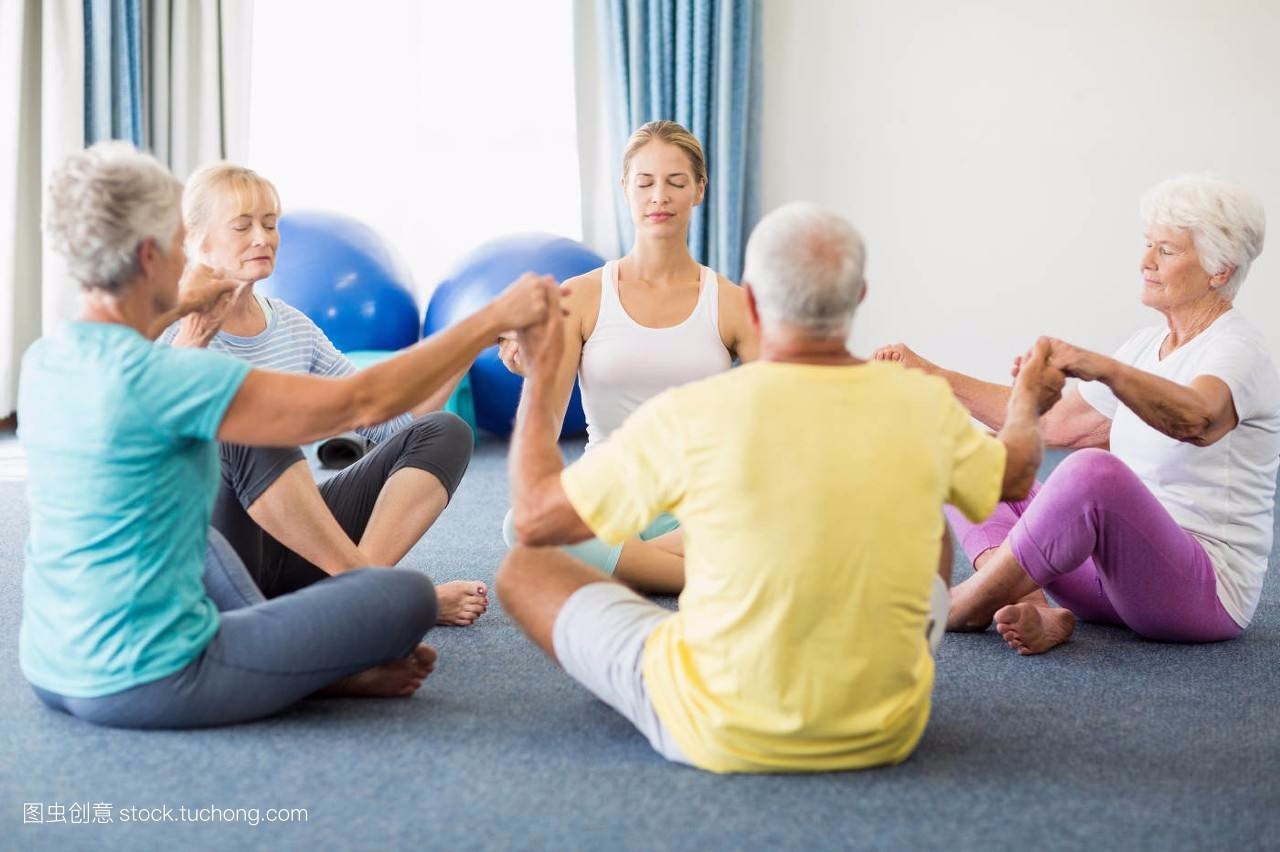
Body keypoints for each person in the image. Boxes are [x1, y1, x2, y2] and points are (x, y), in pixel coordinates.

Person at [496, 202, 1064, 773]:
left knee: (526, 569)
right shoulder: (921, 404)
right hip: (885, 730)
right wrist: (1025, 404)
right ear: (859, 296)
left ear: (750, 301)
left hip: (718, 729)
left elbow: (536, 519)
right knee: (933, 522)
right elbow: (1014, 474)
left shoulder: (691, 414)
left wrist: (546, 369)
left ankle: (687, 669)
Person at [19, 142, 555, 728]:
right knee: (405, 599)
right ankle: (341, 641)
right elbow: (361, 401)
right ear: (154, 255)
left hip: (52, 665)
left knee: (241, 480)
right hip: (153, 675)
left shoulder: (48, 360)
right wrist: (487, 319)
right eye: (179, 246)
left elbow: (384, 416)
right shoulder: (176, 373)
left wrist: (180, 309)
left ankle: (331, 631)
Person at [874, 175, 1279, 655]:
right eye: (1148, 245)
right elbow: (1051, 425)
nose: (1145, 262)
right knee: (974, 455)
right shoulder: (1148, 346)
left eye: (1166, 251)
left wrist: (1103, 369)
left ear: (1219, 269)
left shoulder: (1238, 350)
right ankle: (1036, 606)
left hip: (1195, 596)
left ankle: (967, 604)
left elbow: (1198, 420)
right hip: (1106, 580)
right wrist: (931, 374)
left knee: (1092, 472)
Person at [159, 163, 485, 625]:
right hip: (206, 550)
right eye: (242, 225)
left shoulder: (292, 325)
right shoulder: (167, 324)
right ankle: (380, 598)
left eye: (271, 224)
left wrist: (468, 346)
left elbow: (391, 418)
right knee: (248, 418)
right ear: (197, 237)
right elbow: (150, 446)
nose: (262, 238)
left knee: (444, 431)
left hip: (292, 538)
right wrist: (192, 335)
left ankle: (360, 592)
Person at [498, 120, 758, 594]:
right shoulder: (580, 297)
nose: (659, 196)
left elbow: (777, 420)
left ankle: (627, 564)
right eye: (645, 182)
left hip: (700, 500)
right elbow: (545, 427)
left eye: (676, 182)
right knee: (523, 523)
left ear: (699, 190)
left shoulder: (733, 303)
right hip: (614, 491)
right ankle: (708, 575)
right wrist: (533, 374)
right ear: (625, 188)